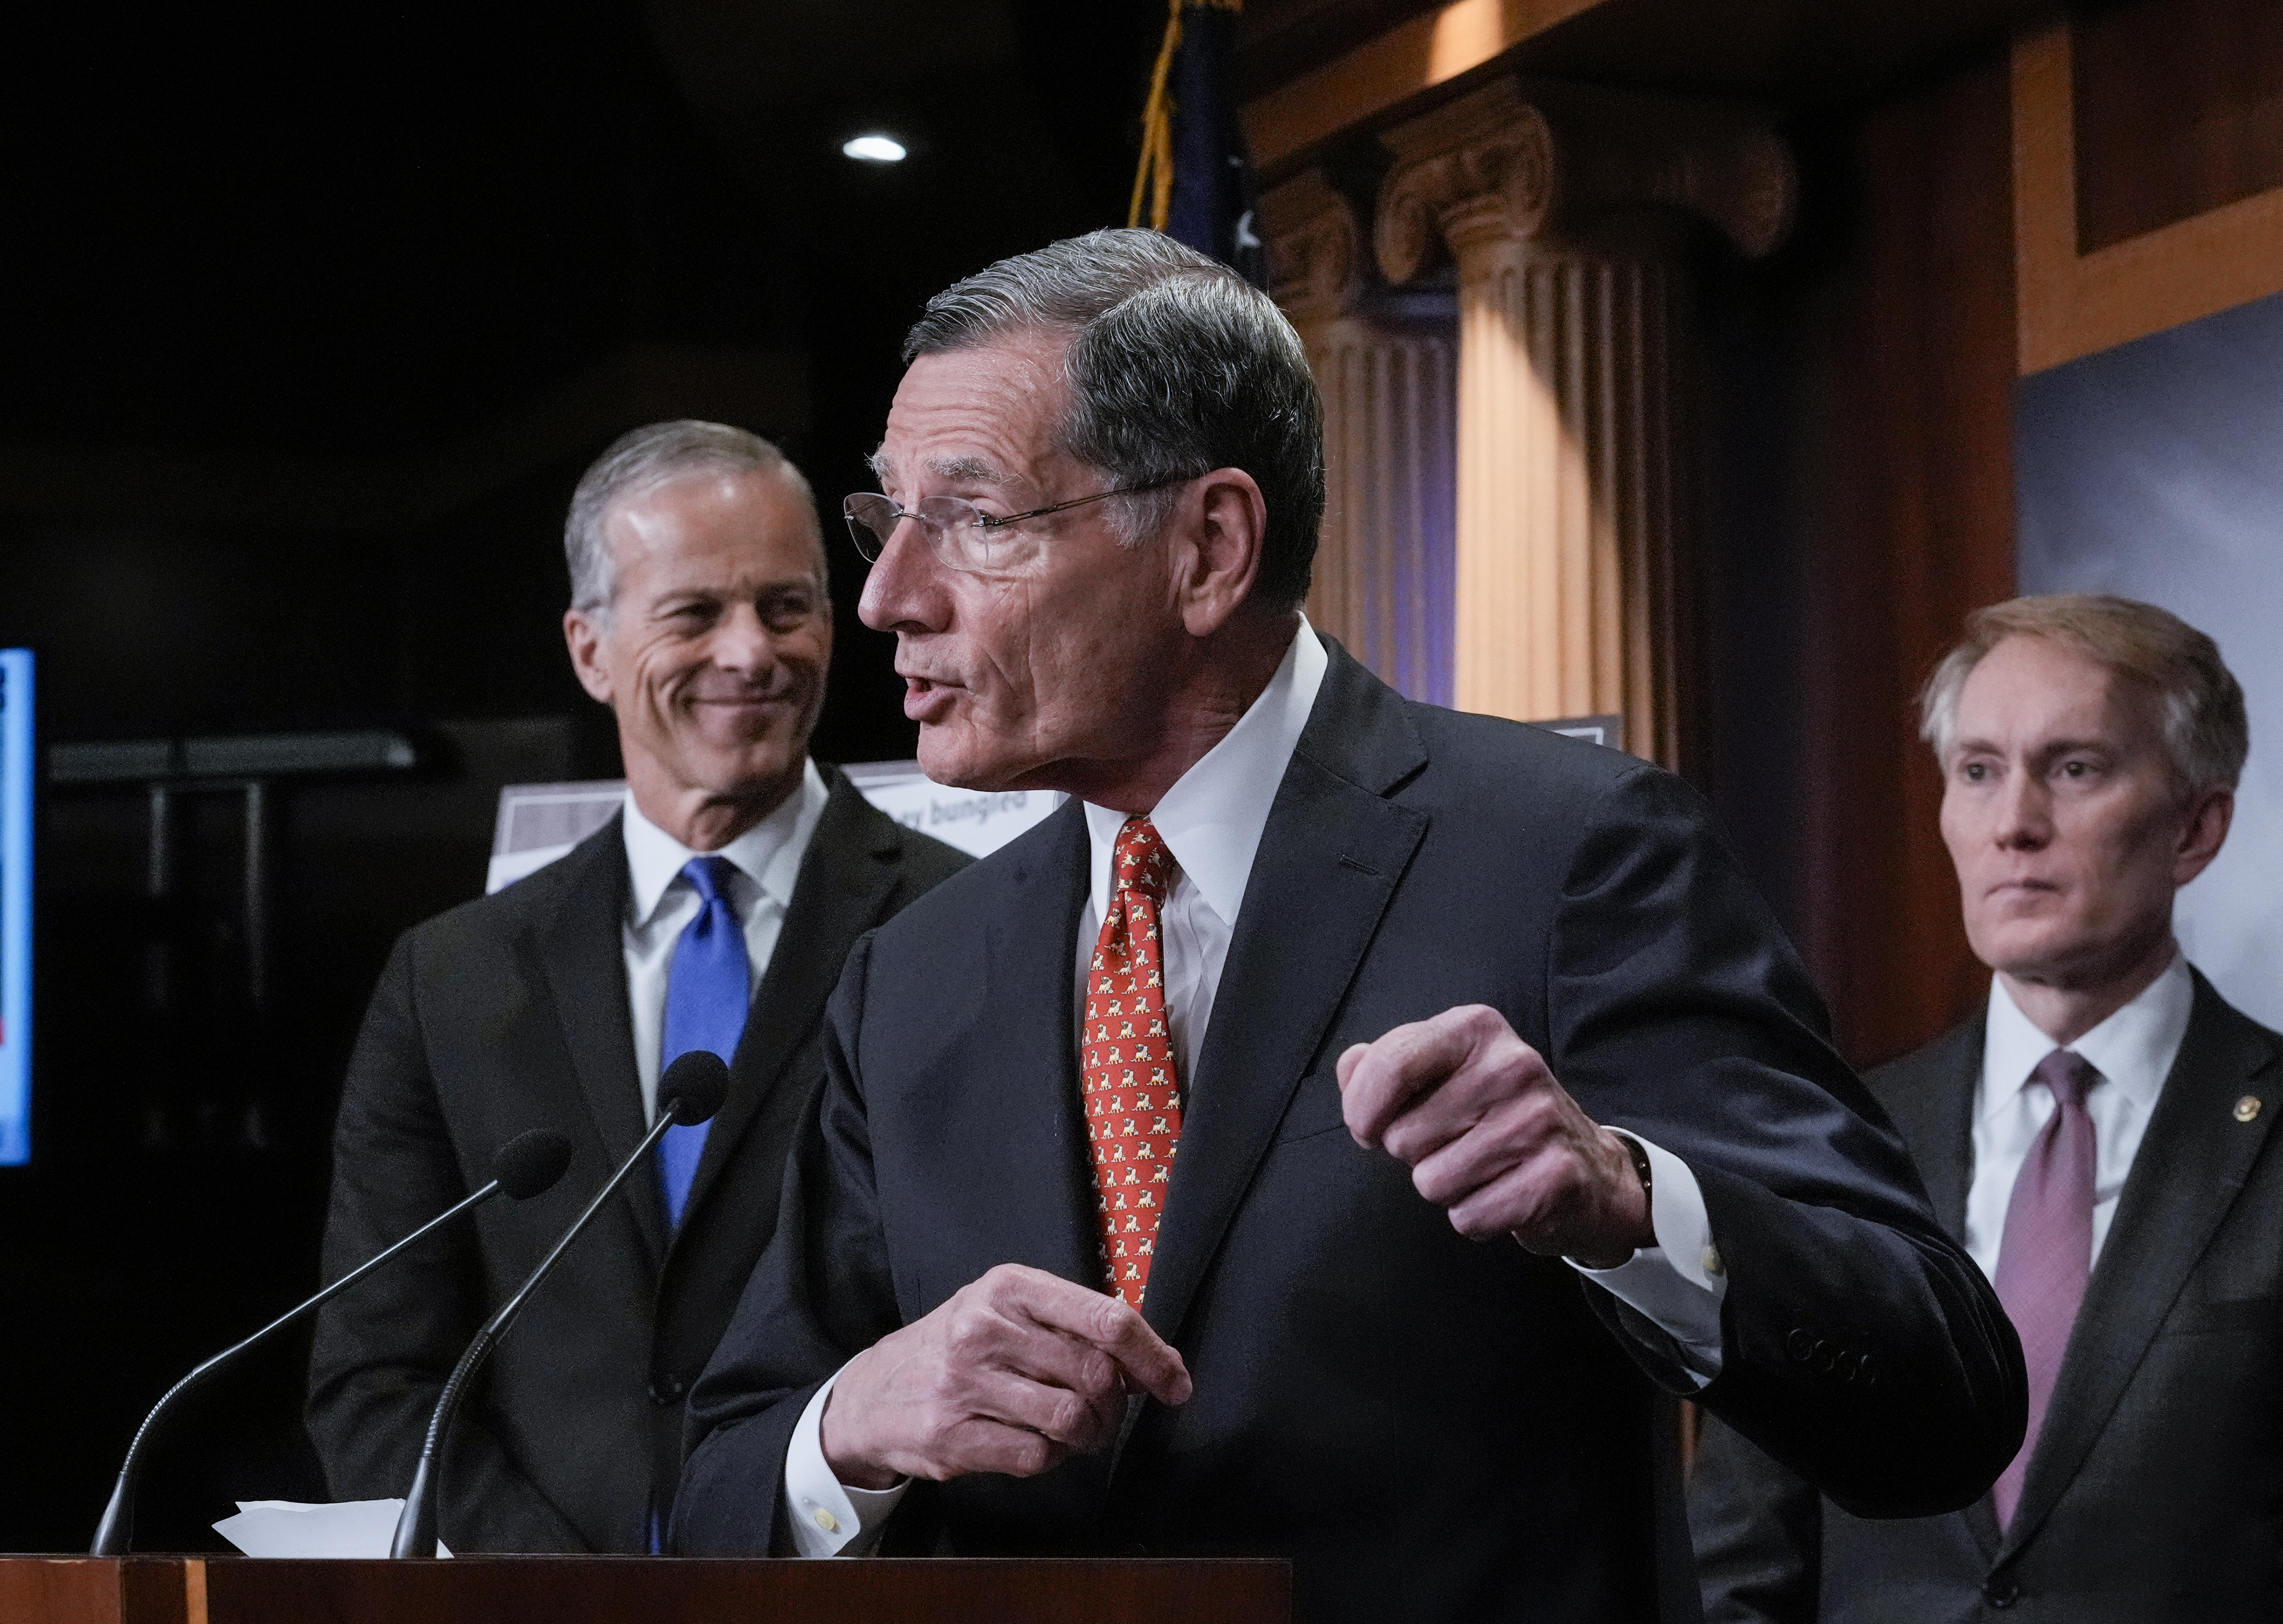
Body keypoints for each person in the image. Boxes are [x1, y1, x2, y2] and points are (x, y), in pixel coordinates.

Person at [669, 229, 2022, 1624]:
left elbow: (1937, 1393)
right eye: (884, 519)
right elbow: (714, 1487)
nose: (889, 595)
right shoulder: (909, 977)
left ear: (1207, 545)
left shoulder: (1569, 850)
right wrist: (849, 1428)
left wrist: (1626, 1200)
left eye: (975, 519)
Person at [305, 421, 971, 1553]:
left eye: (787, 603)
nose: (752, 652)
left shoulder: (967, 930)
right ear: (590, 648)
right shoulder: (450, 978)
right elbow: (376, 1377)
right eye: (696, 612)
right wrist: (566, 1597)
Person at [1689, 593, 2277, 1621]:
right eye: (1979, 770)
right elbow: (1742, 1562)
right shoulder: (1835, 1141)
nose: (2015, 823)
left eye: (2074, 767)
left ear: (2197, 824)